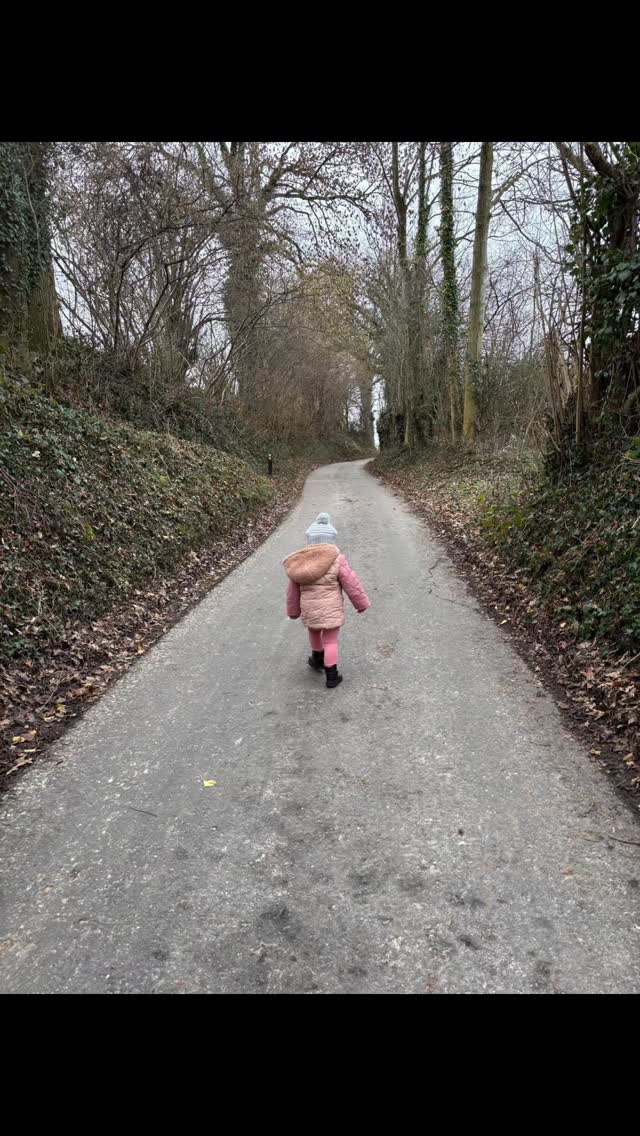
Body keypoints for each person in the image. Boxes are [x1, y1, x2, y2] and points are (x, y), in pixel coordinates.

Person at [284, 512, 370, 688]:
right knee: (330, 641)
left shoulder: (299, 563)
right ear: (331, 540)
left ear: (310, 540)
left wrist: (293, 612)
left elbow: (292, 591)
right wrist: (360, 603)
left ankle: (317, 659)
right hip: (331, 608)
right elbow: (351, 583)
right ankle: (332, 675)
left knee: (314, 631)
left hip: (310, 608)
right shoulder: (337, 559)